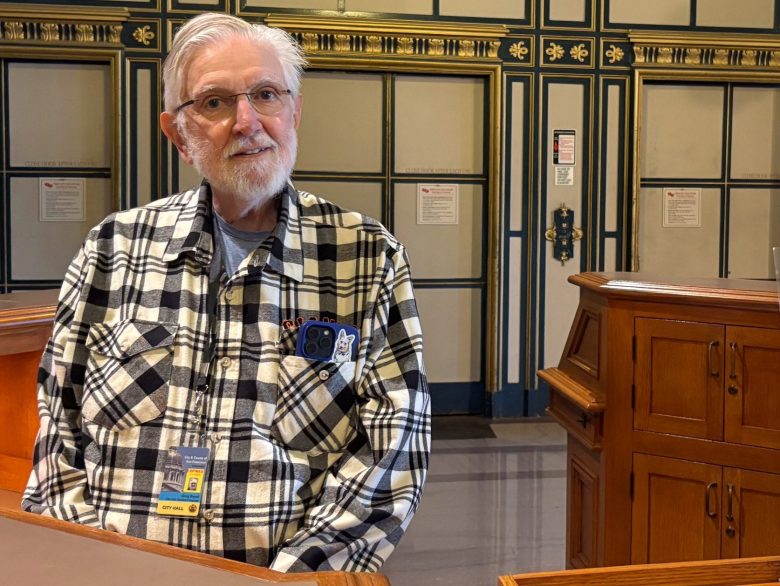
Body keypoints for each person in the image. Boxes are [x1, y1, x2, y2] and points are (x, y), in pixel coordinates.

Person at [22, 12, 430, 573]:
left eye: (266, 95)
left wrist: (286, 580)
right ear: (178, 136)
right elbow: (57, 432)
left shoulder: (367, 257)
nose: (247, 122)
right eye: (215, 102)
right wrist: (92, 564)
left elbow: (394, 450)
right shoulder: (112, 250)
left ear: (295, 111)